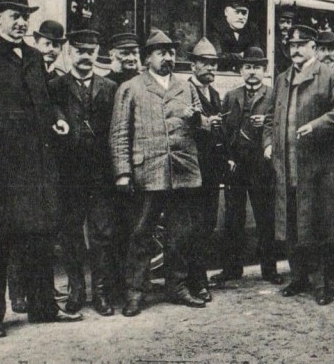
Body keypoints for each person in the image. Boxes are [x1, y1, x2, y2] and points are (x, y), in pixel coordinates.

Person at [0, 0, 81, 339]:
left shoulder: (35, 58)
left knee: (39, 240)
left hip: (36, 167)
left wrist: (56, 117)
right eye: (14, 16)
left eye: (25, 16)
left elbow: (44, 101)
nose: (21, 22)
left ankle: (43, 309)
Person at [110, 29, 208, 314]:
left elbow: (202, 126)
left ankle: (177, 287)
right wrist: (123, 173)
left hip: (182, 172)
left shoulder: (186, 87)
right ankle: (135, 293)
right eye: (161, 53)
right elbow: (119, 135)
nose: (168, 58)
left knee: (180, 235)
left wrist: (197, 119)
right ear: (147, 58)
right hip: (147, 172)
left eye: (172, 52)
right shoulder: (131, 88)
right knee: (141, 235)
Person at [263, 25, 334, 306]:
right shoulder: (282, 79)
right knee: (291, 224)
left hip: (317, 167)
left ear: (314, 47)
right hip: (286, 164)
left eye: (302, 44)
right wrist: (268, 143)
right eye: (292, 45)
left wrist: (316, 126)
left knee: (317, 225)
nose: (296, 50)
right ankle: (298, 277)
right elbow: (269, 117)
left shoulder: (330, 76)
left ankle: (321, 283)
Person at [46, 29, 118, 315]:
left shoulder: (110, 87)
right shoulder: (55, 87)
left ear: (96, 53)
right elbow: (49, 116)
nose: (85, 56)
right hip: (69, 174)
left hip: (101, 174)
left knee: (102, 233)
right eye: (79, 51)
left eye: (91, 51)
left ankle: (100, 293)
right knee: (71, 234)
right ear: (70, 53)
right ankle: (77, 291)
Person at [214, 47, 282, 285]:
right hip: (236, 165)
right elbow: (224, 131)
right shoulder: (231, 96)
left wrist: (265, 121)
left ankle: (269, 269)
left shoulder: (274, 96)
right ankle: (232, 269)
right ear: (241, 70)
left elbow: (279, 127)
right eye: (248, 67)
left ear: (264, 71)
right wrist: (229, 158)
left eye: (257, 68)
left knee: (265, 218)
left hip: (262, 165)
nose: (252, 72)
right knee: (233, 218)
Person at [186, 38, 229, 302]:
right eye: (205, 63)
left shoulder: (214, 94)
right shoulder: (184, 90)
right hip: (193, 167)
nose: (210, 69)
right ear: (193, 65)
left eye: (213, 64)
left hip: (211, 170)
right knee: (193, 226)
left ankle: (199, 277)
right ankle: (195, 280)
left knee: (207, 225)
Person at [211, 0, 261, 64]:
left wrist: (230, 56)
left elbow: (256, 56)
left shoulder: (252, 29)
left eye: (244, 13)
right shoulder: (216, 28)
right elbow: (216, 57)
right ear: (226, 12)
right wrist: (241, 56)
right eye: (237, 12)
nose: (240, 17)